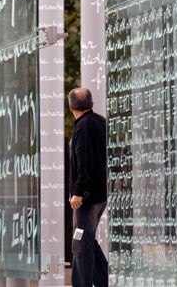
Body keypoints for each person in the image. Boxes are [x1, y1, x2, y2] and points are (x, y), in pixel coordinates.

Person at [68, 87, 108, 287]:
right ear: (91, 104)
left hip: (87, 198)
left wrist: (78, 193)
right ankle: (105, 281)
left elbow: (84, 161)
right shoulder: (101, 122)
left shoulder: (83, 126)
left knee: (80, 245)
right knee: (87, 240)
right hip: (100, 195)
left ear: (71, 106)